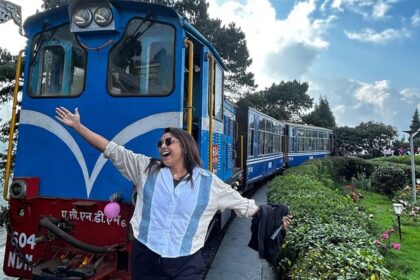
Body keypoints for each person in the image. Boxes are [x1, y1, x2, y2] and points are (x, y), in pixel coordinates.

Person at [55, 107, 292, 280]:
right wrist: (77, 126)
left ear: (185, 146)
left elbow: (247, 207)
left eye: (169, 141)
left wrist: (277, 220)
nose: (163, 146)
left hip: (186, 263)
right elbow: (110, 149)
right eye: (160, 144)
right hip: (146, 256)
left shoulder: (210, 184)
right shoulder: (145, 169)